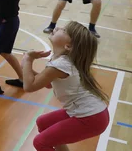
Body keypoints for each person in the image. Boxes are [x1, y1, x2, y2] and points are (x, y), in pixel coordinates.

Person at [22, 21, 110, 151]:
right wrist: (26, 69)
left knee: (40, 142)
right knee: (43, 123)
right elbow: (47, 84)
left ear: (68, 46)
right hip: (93, 114)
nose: (57, 28)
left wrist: (28, 60)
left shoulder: (61, 65)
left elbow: (29, 86)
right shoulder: (60, 60)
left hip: (91, 118)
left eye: (63, 30)